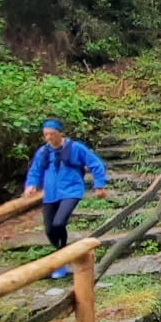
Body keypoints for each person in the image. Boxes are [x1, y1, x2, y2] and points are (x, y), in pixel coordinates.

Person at [22, 118, 110, 277]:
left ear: (60, 133)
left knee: (59, 223)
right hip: (51, 194)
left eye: (52, 134)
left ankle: (62, 258)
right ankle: (61, 255)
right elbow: (35, 170)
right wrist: (31, 185)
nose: (49, 137)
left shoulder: (75, 148)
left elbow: (96, 163)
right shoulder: (43, 152)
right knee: (50, 229)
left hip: (71, 190)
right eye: (46, 134)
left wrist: (99, 184)